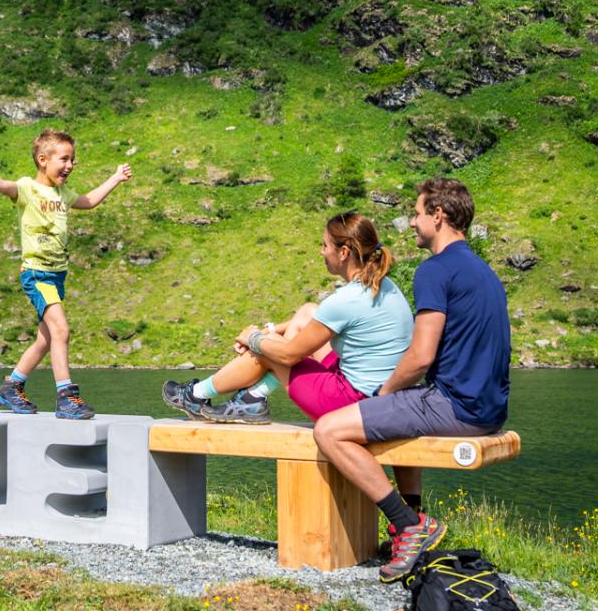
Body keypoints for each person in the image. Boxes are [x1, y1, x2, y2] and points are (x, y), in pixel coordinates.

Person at [312, 178, 511, 582]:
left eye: (418, 214)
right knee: (400, 413)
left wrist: (382, 396)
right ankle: (414, 511)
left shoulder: (435, 270)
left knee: (329, 430)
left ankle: (407, 525)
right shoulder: (482, 270)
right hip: (489, 408)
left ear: (438, 216)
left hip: (455, 405)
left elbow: (421, 356)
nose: (412, 223)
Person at [162, 211, 412, 426]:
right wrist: (270, 331)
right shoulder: (384, 286)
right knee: (306, 312)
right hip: (380, 399)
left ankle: (196, 395)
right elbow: (313, 323)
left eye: (325, 245)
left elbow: (288, 356)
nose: (321, 251)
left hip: (352, 406)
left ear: (344, 252)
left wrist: (254, 338)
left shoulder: (346, 300)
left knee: (268, 350)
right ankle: (253, 399)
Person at [0, 129, 132, 419]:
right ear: (43, 160)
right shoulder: (28, 188)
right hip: (37, 273)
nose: (70, 165)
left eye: (73, 160)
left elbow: (89, 201)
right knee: (61, 330)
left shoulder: (63, 193)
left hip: (57, 275)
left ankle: (11, 386)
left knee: (46, 339)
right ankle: (66, 396)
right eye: (64, 159)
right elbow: (4, 185)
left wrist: (115, 178)